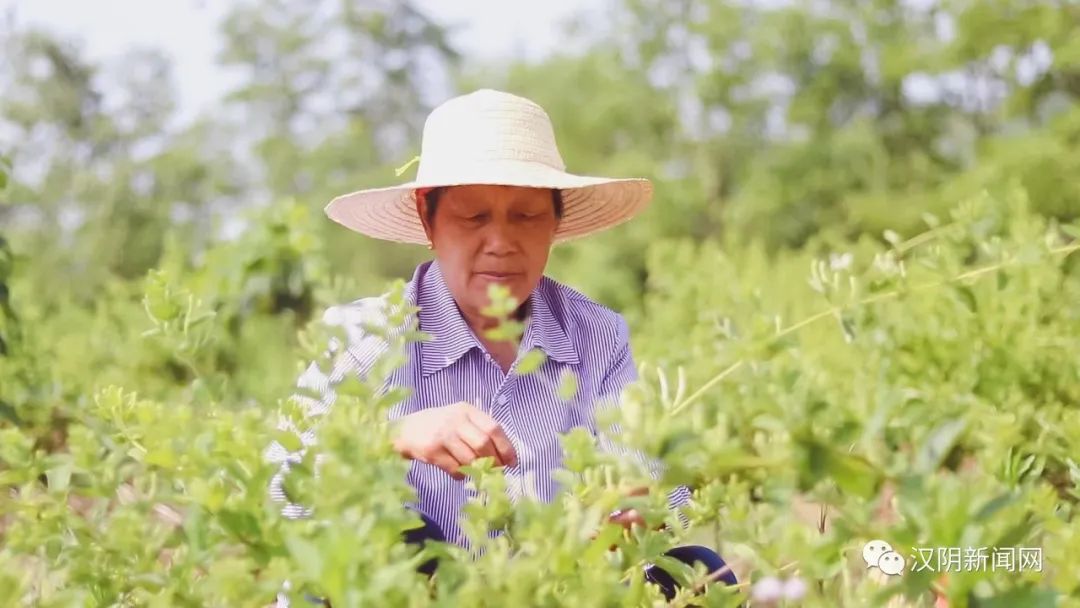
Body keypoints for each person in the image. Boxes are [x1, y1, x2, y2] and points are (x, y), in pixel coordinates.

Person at [265, 89, 738, 606]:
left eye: (526, 217)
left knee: (702, 572)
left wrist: (631, 508)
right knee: (372, 543)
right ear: (429, 219)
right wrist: (387, 437)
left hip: (551, 590)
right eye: (473, 218)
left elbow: (665, 492)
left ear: (555, 223)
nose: (501, 242)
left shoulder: (595, 335)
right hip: (414, 596)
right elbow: (276, 493)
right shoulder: (368, 336)